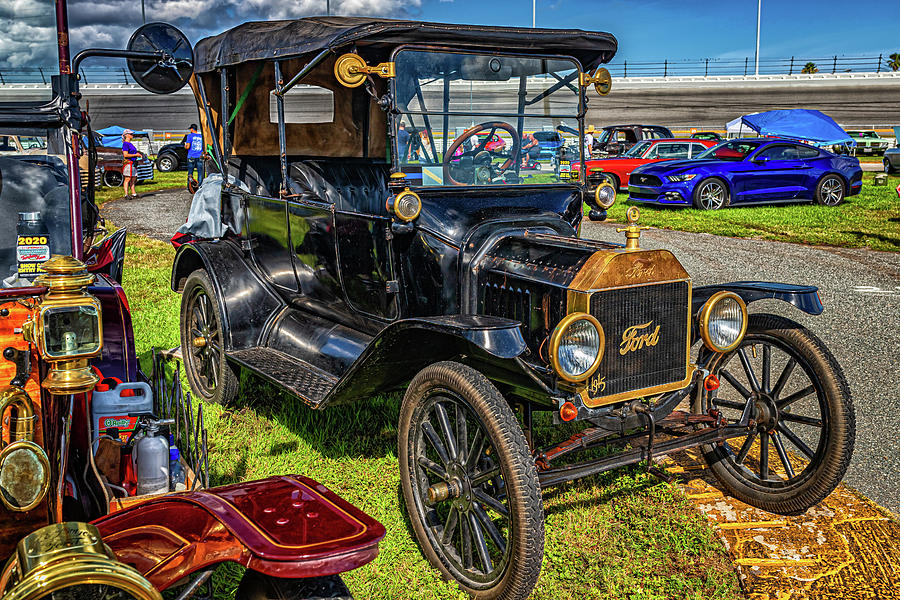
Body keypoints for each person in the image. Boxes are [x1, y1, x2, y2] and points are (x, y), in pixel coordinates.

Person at [121, 129, 140, 199]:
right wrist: (135, 155)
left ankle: (133, 193)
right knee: (127, 178)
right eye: (130, 134)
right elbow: (125, 155)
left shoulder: (130, 144)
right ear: (126, 135)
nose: (132, 135)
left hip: (133, 163)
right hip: (128, 163)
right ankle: (126, 194)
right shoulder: (125, 144)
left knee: (133, 178)